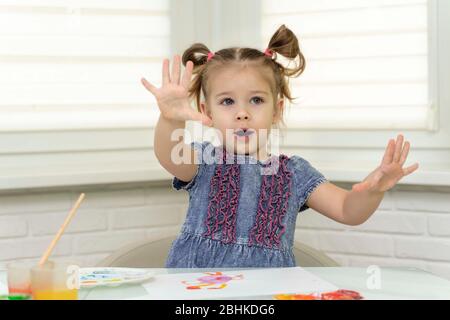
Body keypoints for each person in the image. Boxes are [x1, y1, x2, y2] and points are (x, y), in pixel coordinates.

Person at [141, 25, 419, 268]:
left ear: (277, 110)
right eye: (227, 102)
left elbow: (348, 210)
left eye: (256, 100)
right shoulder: (204, 160)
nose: (242, 113)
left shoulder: (294, 173)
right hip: (197, 291)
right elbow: (169, 155)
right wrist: (170, 119)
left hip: (268, 294)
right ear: (207, 111)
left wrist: (373, 190)